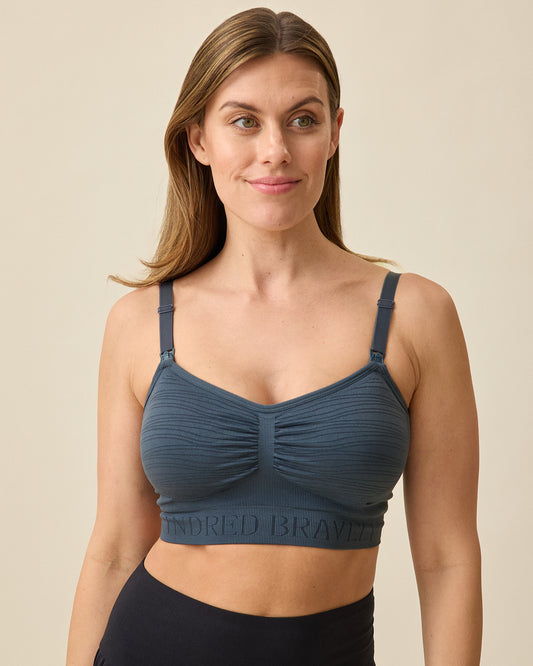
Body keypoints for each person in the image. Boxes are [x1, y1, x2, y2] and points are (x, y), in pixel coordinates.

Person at [66, 7, 482, 665]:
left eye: (302, 120)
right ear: (199, 140)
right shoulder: (141, 321)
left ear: (334, 132)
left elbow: (446, 557)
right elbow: (116, 549)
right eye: (244, 121)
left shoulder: (415, 316)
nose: (275, 150)